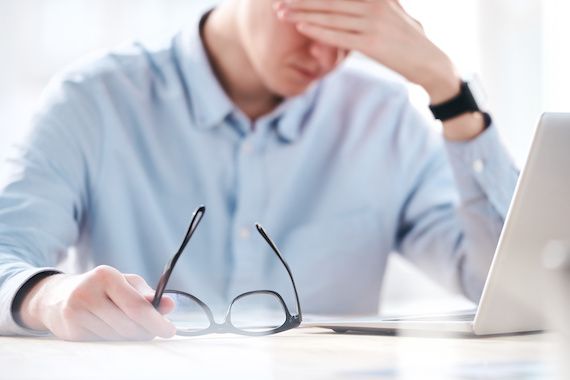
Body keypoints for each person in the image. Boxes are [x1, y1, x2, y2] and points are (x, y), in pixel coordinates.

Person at [0, 0, 518, 341]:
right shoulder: (94, 101)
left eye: (351, 28)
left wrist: (447, 90)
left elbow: (504, 285)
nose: (326, 53)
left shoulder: (385, 122)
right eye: (313, 13)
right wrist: (47, 295)